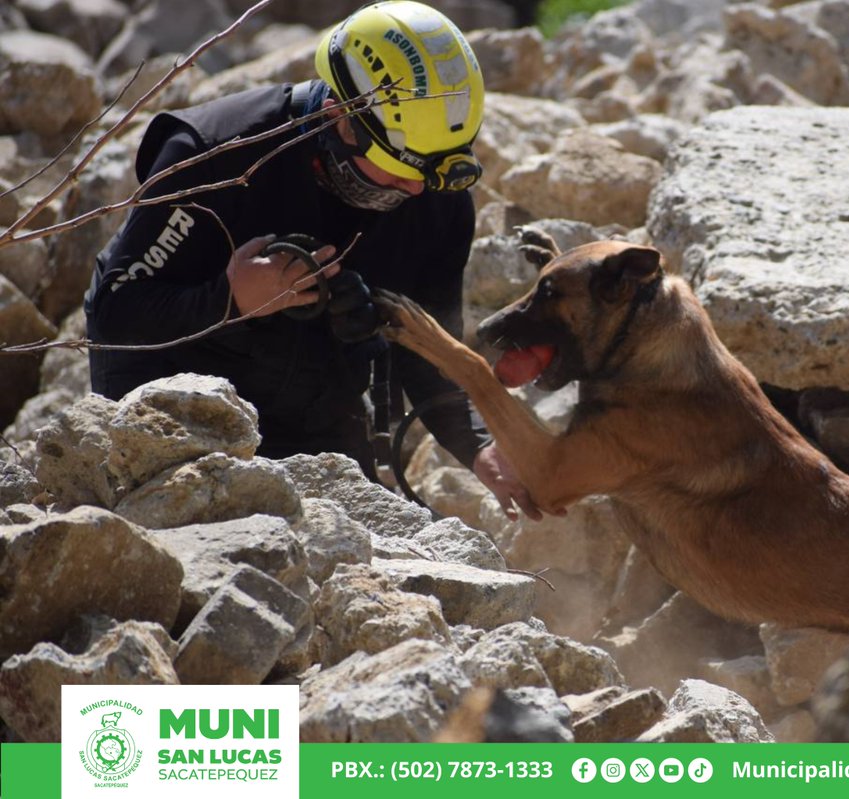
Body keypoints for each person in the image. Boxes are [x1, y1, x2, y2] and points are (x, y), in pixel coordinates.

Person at [84, 1, 541, 519]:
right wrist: (229, 301)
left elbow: (428, 348)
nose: (414, 189)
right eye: (396, 170)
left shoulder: (435, 195)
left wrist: (482, 449)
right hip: (177, 392)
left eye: (429, 171)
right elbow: (115, 311)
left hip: (315, 389)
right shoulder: (216, 155)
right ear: (339, 118)